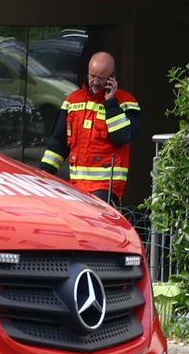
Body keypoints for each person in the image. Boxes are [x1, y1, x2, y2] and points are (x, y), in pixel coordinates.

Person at [58, 49, 144, 228]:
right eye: (92, 76)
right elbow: (58, 144)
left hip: (105, 187)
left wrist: (110, 103)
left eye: (101, 78)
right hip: (75, 185)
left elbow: (122, 137)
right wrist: (43, 173)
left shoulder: (127, 102)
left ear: (112, 78)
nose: (95, 82)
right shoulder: (72, 101)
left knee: (95, 230)